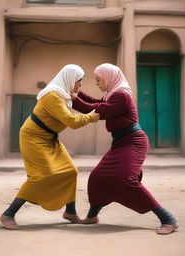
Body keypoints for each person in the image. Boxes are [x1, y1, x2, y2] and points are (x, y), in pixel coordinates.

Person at [71, 63, 179, 235]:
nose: (97, 84)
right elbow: (97, 103)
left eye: (99, 80)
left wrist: (74, 97)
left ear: (109, 78)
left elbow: (97, 110)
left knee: (127, 181)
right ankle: (92, 216)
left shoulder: (121, 95)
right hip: (120, 142)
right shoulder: (113, 93)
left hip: (133, 141)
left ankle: (168, 219)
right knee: (98, 177)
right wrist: (75, 93)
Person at [0, 64, 100, 230]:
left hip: (50, 138)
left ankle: (70, 212)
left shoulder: (64, 94)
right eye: (79, 81)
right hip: (33, 137)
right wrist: (90, 117)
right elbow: (71, 121)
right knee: (40, 176)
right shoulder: (53, 96)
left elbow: (85, 101)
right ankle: (8, 214)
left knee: (70, 171)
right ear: (69, 79)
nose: (80, 85)